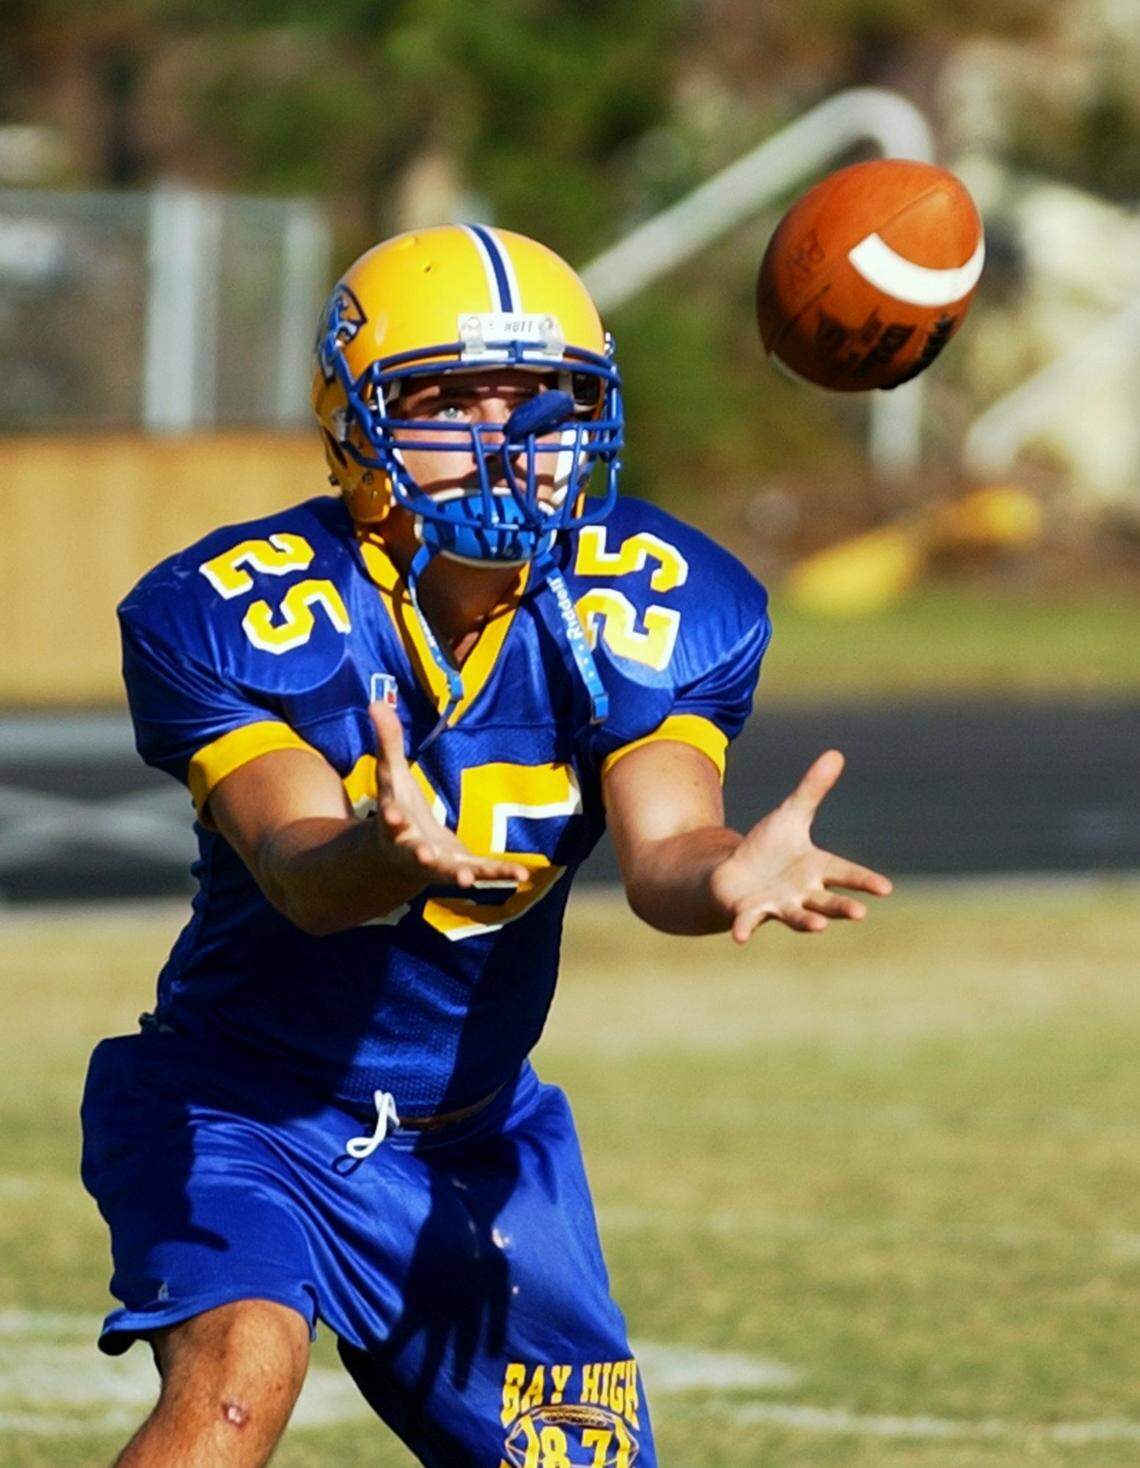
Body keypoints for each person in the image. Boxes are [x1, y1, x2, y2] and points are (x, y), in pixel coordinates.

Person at [82, 223, 892, 1468]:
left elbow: (667, 846)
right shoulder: (241, 609)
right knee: (241, 1380)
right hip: (247, 1105)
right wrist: (383, 855)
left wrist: (726, 870)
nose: (506, 436)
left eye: (537, 397)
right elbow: (301, 870)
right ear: (357, 422)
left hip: (473, 1137)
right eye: (452, 400)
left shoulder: (651, 598)